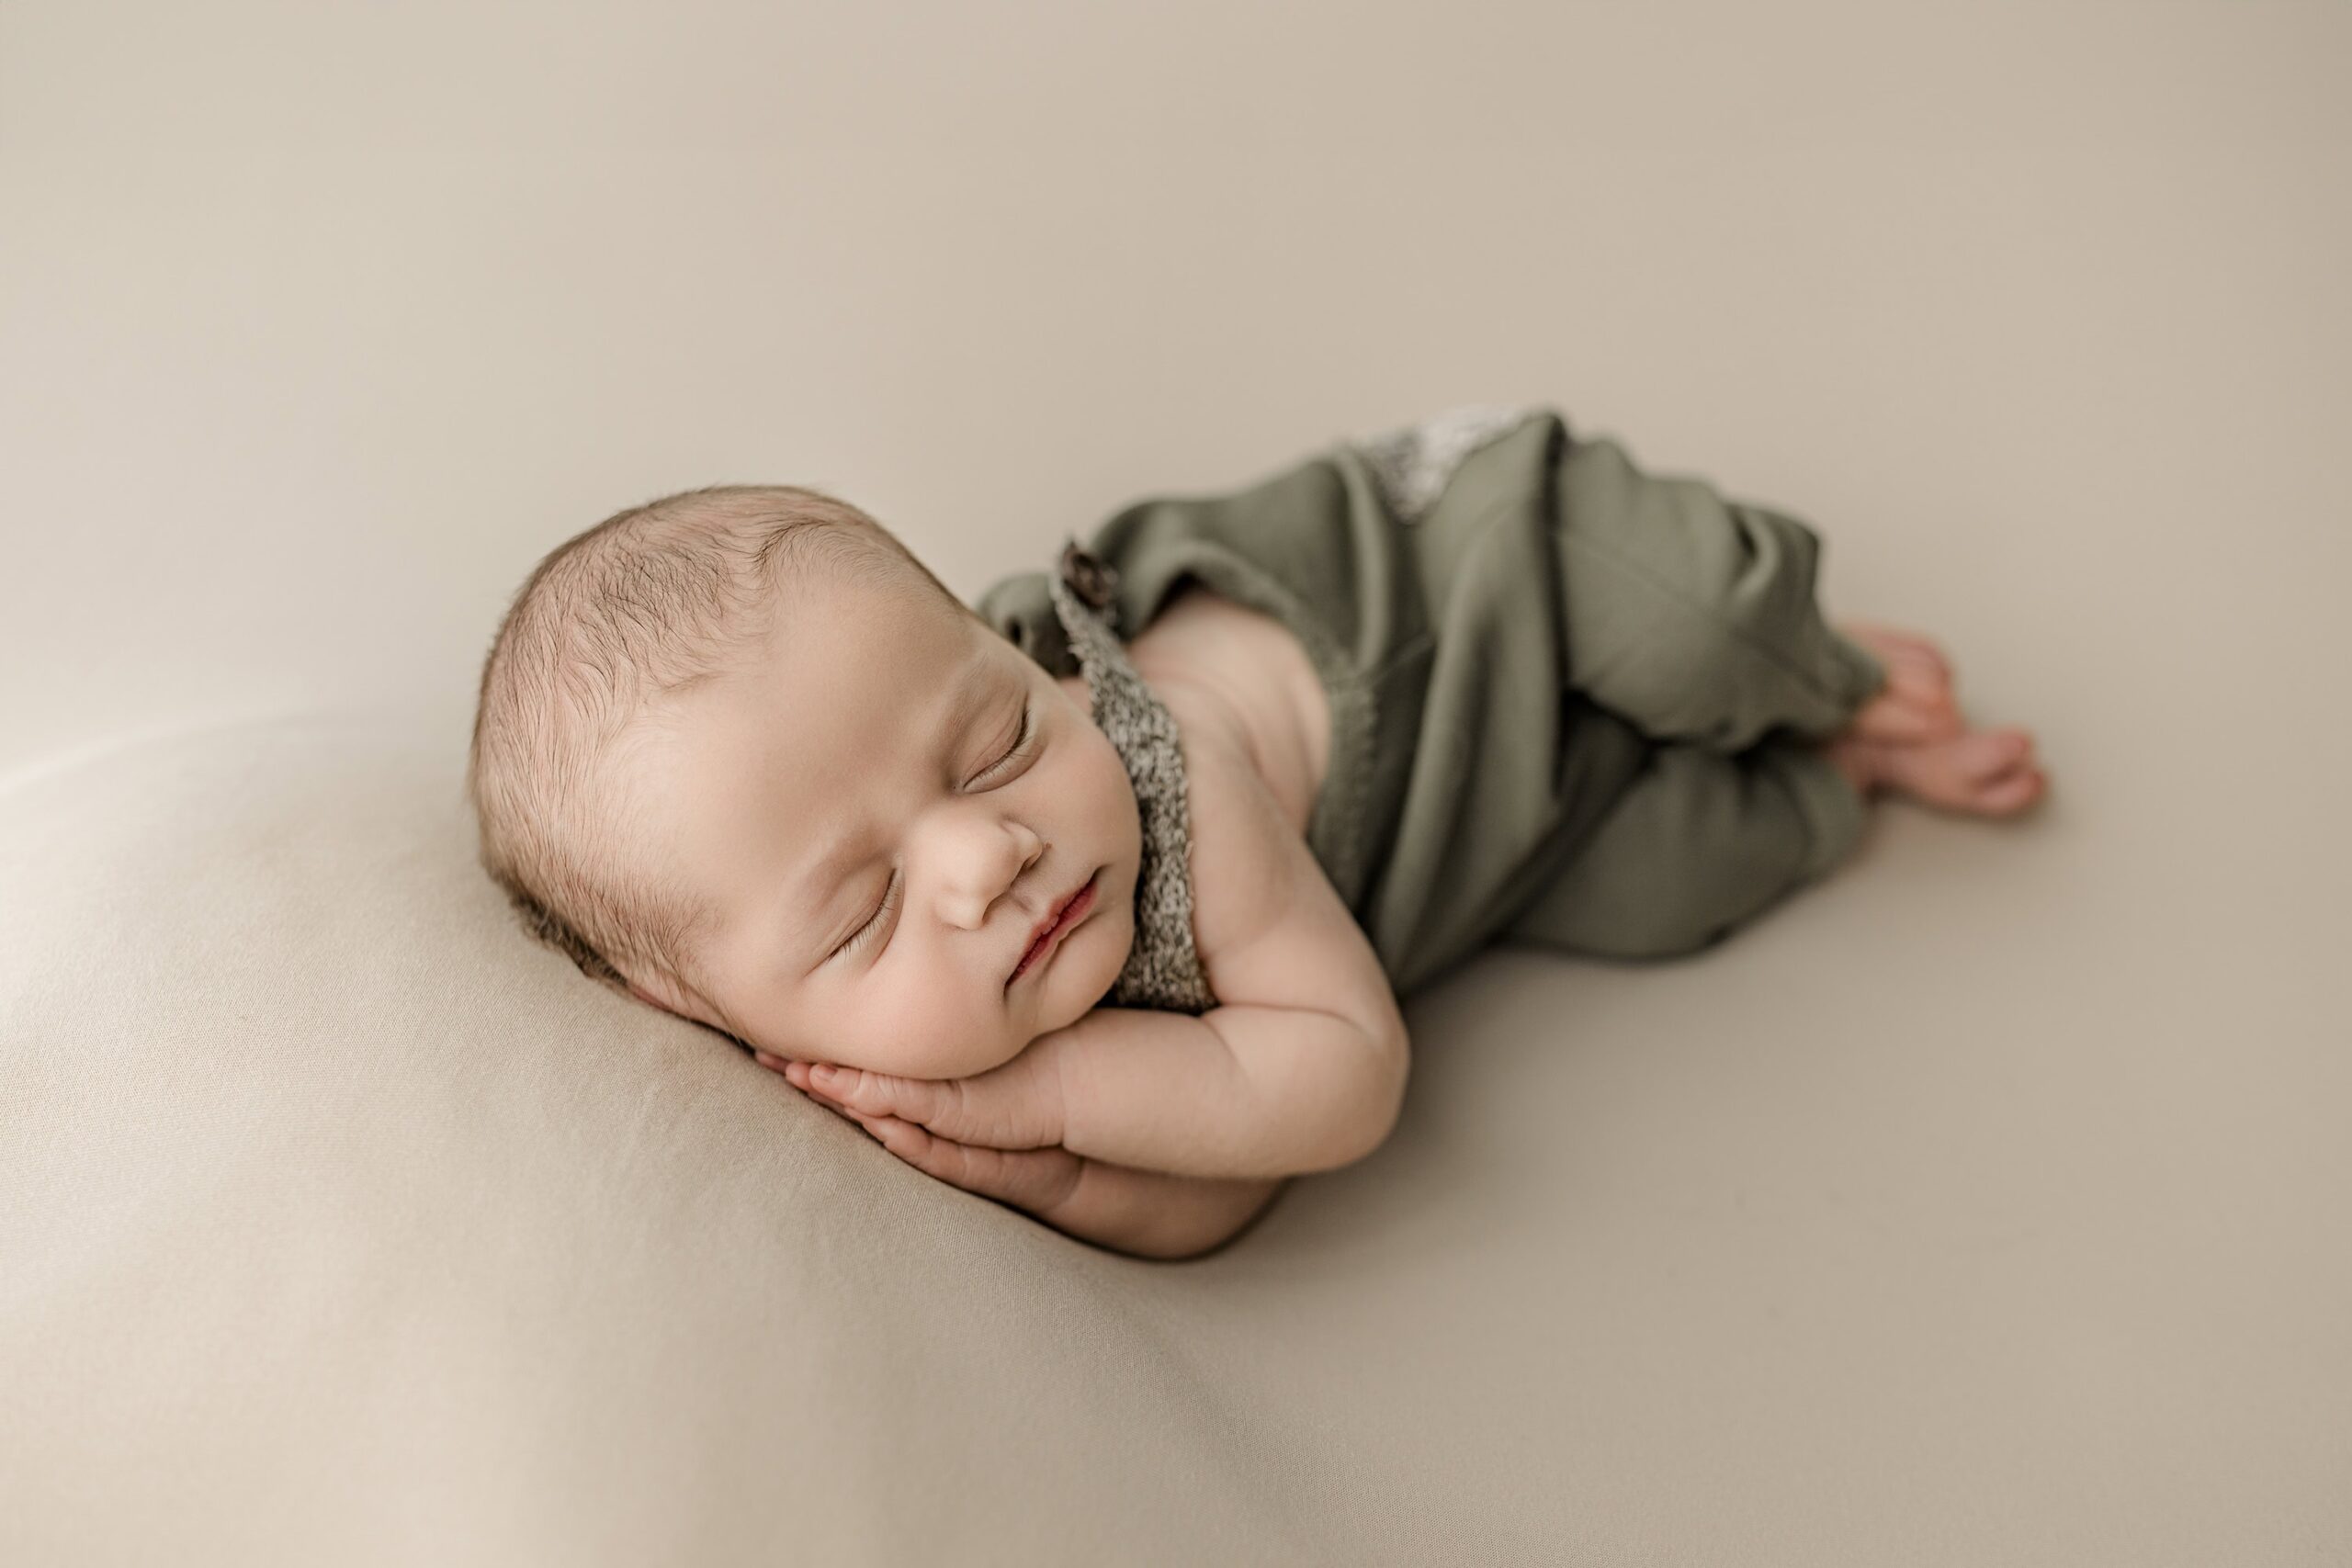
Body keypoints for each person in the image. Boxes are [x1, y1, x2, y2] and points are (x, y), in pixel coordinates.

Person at [466, 405, 2046, 1259]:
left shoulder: (1163, 770)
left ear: (1012, 655)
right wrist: (1055, 1179)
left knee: (1699, 629)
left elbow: (1338, 1079)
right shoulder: (943, 1045)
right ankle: (1844, 777)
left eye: (1001, 731)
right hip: (1487, 831)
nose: (984, 855)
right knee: (1684, 880)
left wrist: (1053, 1092)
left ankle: (1827, 670)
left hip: (1461, 578)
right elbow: (1234, 1187)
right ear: (722, 1016)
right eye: (864, 911)